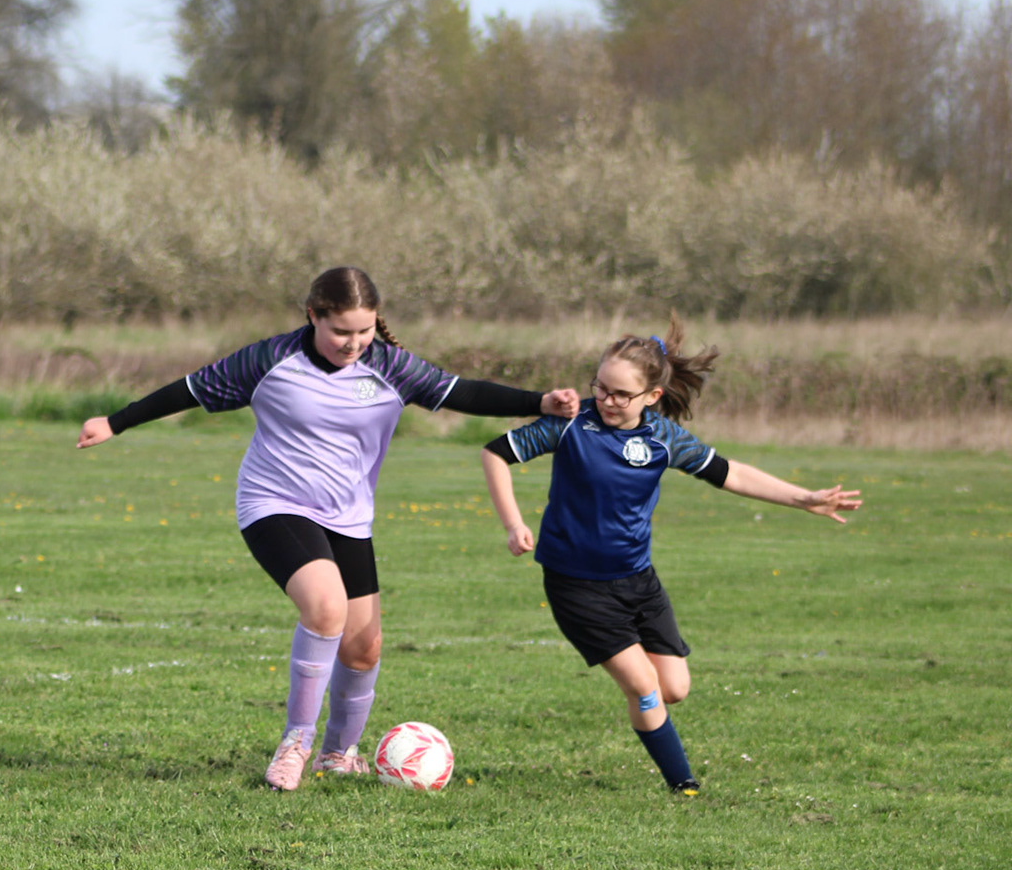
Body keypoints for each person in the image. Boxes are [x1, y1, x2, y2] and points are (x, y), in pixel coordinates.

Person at [77, 266, 578, 791]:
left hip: (349, 517)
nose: (353, 343)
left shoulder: (392, 367)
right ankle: (295, 743)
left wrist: (537, 402)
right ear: (313, 316)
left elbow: (462, 392)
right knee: (325, 607)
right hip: (275, 504)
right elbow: (190, 390)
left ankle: (338, 754)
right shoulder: (269, 360)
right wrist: (115, 422)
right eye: (341, 331)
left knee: (364, 648)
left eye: (364, 330)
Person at [479, 319, 861, 795]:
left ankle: (654, 723)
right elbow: (495, 453)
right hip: (576, 584)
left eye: (622, 394)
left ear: (652, 396)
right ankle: (683, 785)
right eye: (601, 387)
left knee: (674, 688)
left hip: (638, 582)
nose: (607, 400)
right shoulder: (571, 422)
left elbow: (732, 473)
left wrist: (805, 498)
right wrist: (513, 523)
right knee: (643, 686)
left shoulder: (664, 438)